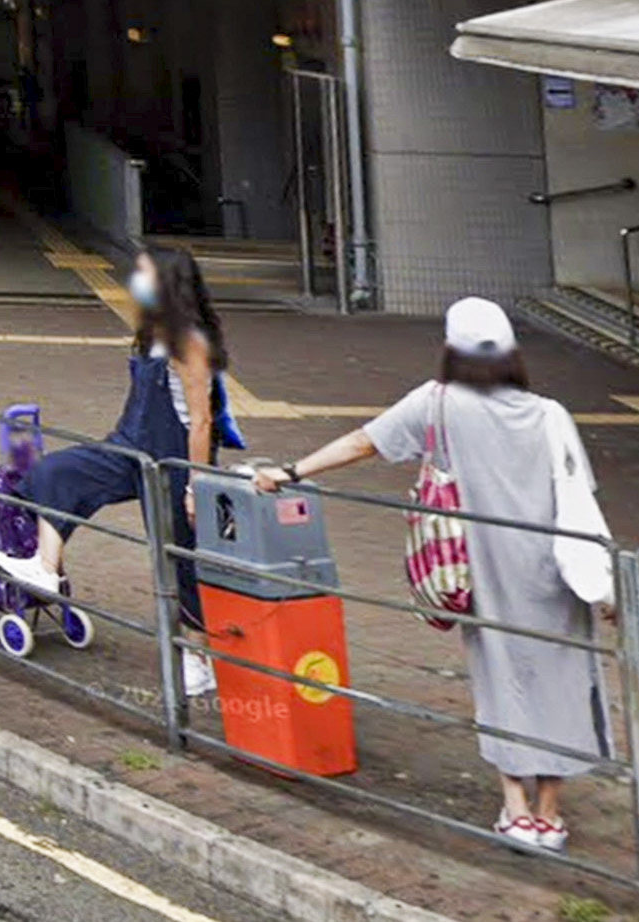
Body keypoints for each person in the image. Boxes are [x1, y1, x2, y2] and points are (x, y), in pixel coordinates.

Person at [257, 299, 614, 855]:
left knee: (503, 682)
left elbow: (362, 443)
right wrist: (605, 579)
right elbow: (580, 500)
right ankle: (550, 813)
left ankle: (515, 810)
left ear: (451, 349)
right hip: (554, 572)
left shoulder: (438, 403)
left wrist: (290, 472)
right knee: (561, 682)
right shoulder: (550, 414)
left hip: (483, 569)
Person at [0, 244, 243, 699]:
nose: (134, 284)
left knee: (176, 559)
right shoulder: (151, 334)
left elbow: (201, 421)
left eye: (143, 275)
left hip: (174, 461)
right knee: (57, 474)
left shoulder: (191, 341)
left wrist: (195, 484)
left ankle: (198, 659)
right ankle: (46, 570)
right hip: (128, 445)